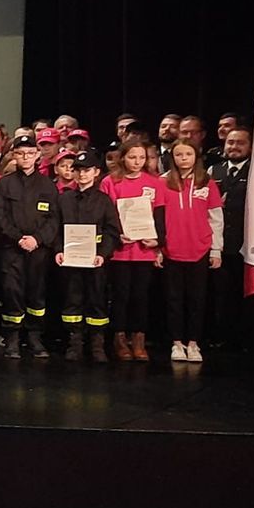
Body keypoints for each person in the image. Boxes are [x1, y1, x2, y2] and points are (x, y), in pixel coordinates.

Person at [0, 136, 60, 360]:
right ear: (14, 155)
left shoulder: (48, 185)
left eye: (30, 153)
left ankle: (34, 336)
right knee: (11, 291)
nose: (25, 157)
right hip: (11, 248)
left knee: (36, 293)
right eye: (20, 153)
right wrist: (18, 238)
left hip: (38, 249)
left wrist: (37, 239)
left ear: (37, 155)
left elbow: (54, 219)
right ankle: (12, 336)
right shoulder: (5, 183)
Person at [100, 138, 166, 362]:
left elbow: (160, 216)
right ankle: (119, 339)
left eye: (141, 157)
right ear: (123, 158)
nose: (137, 162)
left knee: (140, 296)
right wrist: (116, 235)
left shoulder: (155, 183)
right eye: (132, 157)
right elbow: (106, 215)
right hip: (120, 251)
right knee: (120, 295)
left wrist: (157, 241)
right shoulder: (110, 182)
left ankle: (138, 339)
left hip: (144, 251)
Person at [53, 151, 123, 362]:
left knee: (97, 299)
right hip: (70, 260)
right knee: (72, 299)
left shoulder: (104, 201)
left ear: (96, 172)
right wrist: (58, 250)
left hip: (95, 261)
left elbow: (112, 230)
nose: (82, 174)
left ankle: (97, 344)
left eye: (87, 170)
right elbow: (55, 228)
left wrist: (103, 254)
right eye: (78, 170)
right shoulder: (64, 199)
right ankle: (74, 342)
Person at [158, 141, 223, 363]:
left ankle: (194, 343)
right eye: (179, 154)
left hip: (199, 249)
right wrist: (158, 248)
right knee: (173, 299)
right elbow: (157, 218)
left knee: (197, 299)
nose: (184, 158)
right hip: (171, 250)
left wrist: (216, 249)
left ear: (196, 156)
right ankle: (176, 343)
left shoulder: (207, 183)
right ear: (172, 158)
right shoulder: (162, 182)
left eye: (188, 154)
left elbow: (216, 218)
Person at [208, 127, 250, 347]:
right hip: (218, 243)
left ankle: (243, 338)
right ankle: (219, 336)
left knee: (242, 294)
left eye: (240, 142)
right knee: (219, 293)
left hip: (245, 243)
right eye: (231, 142)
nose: (234, 147)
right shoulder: (213, 170)